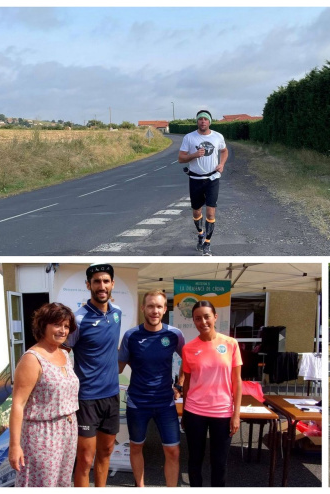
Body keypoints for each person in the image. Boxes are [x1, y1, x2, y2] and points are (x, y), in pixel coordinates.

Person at [119, 290, 185, 486]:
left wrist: (179, 385)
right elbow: (119, 364)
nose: (154, 310)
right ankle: (140, 487)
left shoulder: (174, 334)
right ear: (143, 308)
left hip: (165, 402)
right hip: (137, 403)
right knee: (136, 446)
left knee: (173, 451)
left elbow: (188, 361)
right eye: (150, 306)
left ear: (165, 309)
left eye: (158, 306)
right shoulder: (131, 335)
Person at [9, 303, 79, 487]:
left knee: (62, 483)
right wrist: (15, 446)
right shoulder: (32, 359)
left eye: (66, 326)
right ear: (43, 325)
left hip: (68, 430)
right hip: (42, 434)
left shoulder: (65, 354)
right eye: (57, 325)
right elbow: (18, 403)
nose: (63, 330)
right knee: (42, 484)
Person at [67, 263, 123, 487]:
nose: (102, 286)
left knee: (106, 452)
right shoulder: (77, 319)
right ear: (88, 285)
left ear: (112, 284)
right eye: (97, 281)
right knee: (85, 459)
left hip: (112, 395)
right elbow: (63, 351)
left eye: (106, 281)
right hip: (87, 399)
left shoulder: (117, 313)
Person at [178, 301, 242, 487]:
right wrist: (184, 412)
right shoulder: (188, 348)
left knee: (219, 463)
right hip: (194, 412)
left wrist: (236, 414)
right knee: (194, 460)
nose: (203, 322)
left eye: (207, 316)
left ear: (215, 317)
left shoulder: (230, 344)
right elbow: (188, 382)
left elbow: (237, 382)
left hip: (222, 413)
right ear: (194, 321)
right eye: (198, 318)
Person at [178, 109, 229, 256]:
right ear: (197, 121)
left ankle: (207, 243)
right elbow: (181, 158)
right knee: (196, 211)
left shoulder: (218, 137)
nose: (203, 121)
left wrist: (222, 164)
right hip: (195, 179)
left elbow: (224, 151)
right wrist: (194, 155)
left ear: (209, 122)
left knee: (211, 212)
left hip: (213, 178)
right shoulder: (189, 138)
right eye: (200, 119)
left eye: (205, 119)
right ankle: (200, 233)